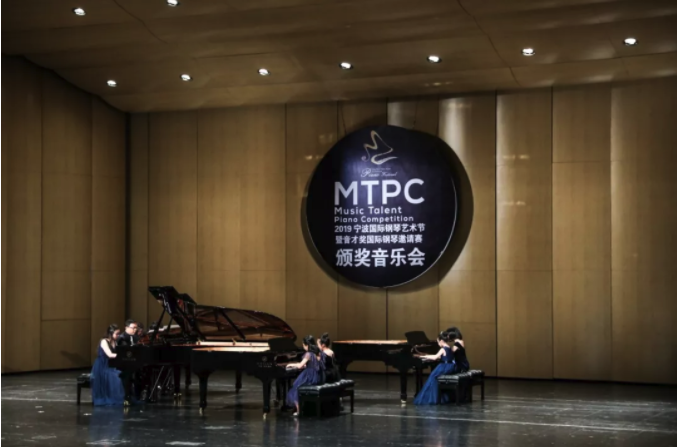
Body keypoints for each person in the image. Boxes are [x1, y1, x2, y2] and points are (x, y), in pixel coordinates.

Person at [413, 330, 469, 405]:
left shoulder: (443, 349)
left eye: (438, 342)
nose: (438, 343)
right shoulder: (449, 347)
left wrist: (423, 356)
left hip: (445, 367)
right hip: (451, 366)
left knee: (433, 377)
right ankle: (442, 397)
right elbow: (444, 357)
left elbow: (435, 357)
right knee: (434, 376)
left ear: (441, 341)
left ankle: (432, 398)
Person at [285, 335, 325, 416]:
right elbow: (314, 364)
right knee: (297, 386)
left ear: (307, 345)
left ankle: (299, 410)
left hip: (310, 376)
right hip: (317, 376)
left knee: (295, 388)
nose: (303, 347)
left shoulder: (309, 354)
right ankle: (303, 407)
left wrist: (291, 364)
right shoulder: (318, 352)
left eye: (303, 345)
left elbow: (300, 366)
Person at [90, 324, 125, 406]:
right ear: (111, 333)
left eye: (119, 333)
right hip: (102, 365)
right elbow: (109, 354)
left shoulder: (114, 341)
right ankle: (112, 397)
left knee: (121, 374)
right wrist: (122, 356)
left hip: (111, 364)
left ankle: (122, 396)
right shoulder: (104, 341)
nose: (118, 335)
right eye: (117, 333)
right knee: (116, 377)